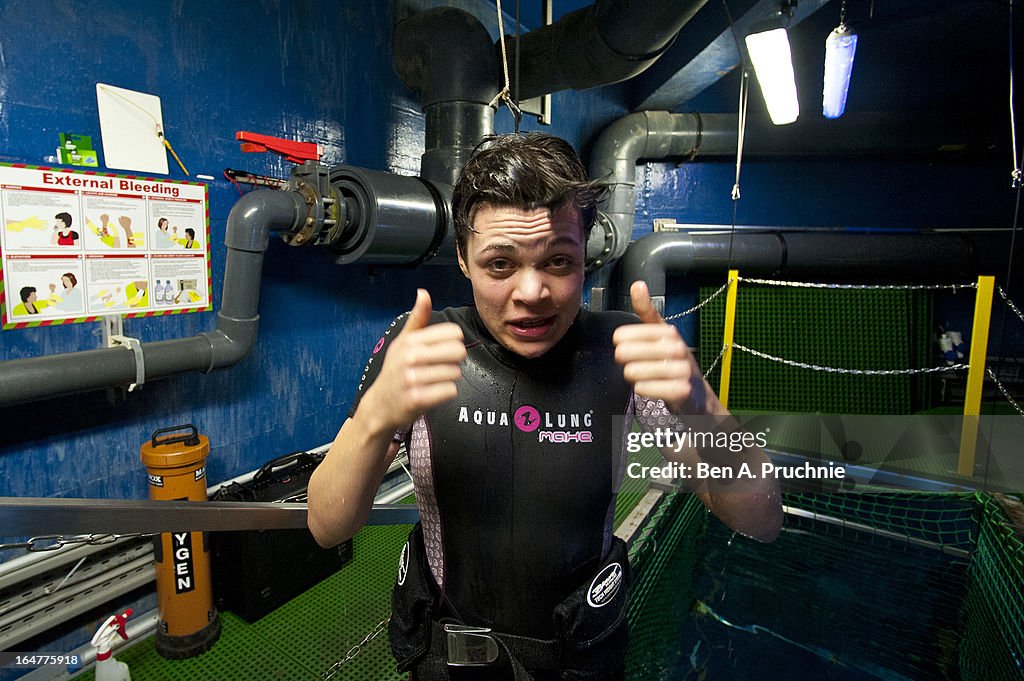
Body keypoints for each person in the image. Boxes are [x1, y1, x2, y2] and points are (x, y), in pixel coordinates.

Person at [307, 132, 782, 680]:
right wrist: (375, 419)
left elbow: (760, 517)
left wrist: (701, 405)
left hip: (580, 660)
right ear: (462, 258)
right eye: (500, 265)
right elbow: (327, 526)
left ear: (587, 257)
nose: (532, 292)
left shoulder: (624, 354)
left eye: (558, 262)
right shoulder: (423, 348)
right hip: (453, 662)